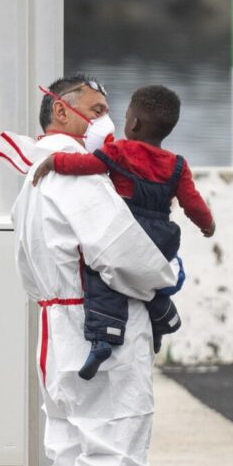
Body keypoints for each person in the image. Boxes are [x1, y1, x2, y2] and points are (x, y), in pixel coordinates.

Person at [8, 75, 178, 466]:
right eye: (97, 109)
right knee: (113, 458)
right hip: (100, 330)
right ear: (61, 112)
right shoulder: (80, 177)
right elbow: (124, 253)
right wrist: (165, 275)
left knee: (65, 461)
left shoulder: (33, 177)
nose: (108, 121)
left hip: (56, 327)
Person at [32, 84, 215, 379]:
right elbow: (192, 202)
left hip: (128, 231)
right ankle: (160, 317)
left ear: (134, 123)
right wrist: (208, 225)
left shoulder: (119, 151)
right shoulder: (178, 165)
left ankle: (103, 337)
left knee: (101, 275)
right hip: (162, 237)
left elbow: (87, 165)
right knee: (147, 277)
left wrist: (55, 161)